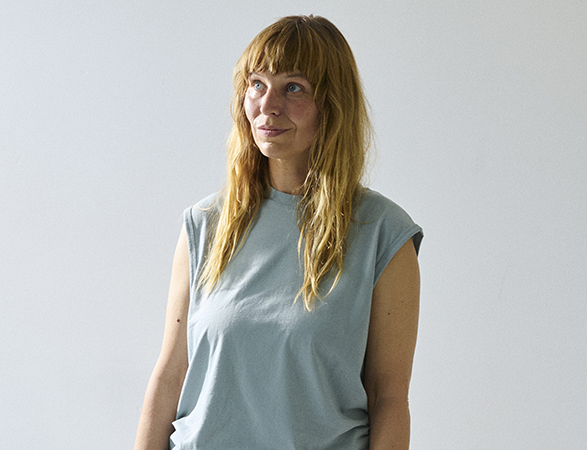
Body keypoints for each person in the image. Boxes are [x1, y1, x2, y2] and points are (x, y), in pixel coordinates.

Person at [134, 15, 423, 450]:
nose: (268, 105)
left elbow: (389, 398)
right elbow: (170, 375)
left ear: (332, 104)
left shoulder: (383, 234)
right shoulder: (205, 224)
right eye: (257, 84)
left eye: (294, 88)